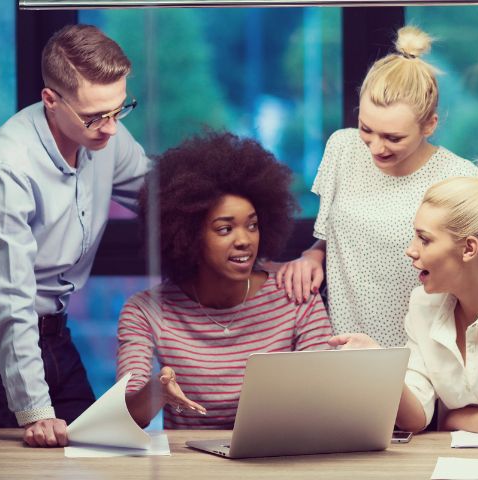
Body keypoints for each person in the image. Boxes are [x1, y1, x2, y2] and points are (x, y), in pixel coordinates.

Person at [0, 24, 149, 447]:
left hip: (53, 333)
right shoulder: (7, 165)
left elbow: (163, 195)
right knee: (19, 472)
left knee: (102, 452)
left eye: (119, 110)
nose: (110, 128)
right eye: (95, 117)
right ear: (50, 100)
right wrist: (34, 410)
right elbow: (9, 297)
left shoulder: (107, 134)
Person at [331, 156, 478, 438]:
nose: (410, 250)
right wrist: (378, 365)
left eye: (424, 239)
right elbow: (417, 416)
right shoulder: (423, 303)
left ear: (469, 248)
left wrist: (454, 419)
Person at [274, 25, 477, 348]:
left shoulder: (458, 175)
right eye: (366, 128)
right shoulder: (342, 147)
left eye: (393, 138)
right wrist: (313, 256)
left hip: (424, 350)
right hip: (344, 345)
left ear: (430, 125)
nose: (376, 147)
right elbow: (339, 236)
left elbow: (471, 275)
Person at [116, 132, 333, 430]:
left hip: (278, 460)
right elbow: (125, 417)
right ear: (188, 235)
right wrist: (157, 391)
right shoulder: (146, 310)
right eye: (224, 229)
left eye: (252, 225)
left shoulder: (293, 291)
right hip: (190, 469)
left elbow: (326, 398)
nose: (244, 240)